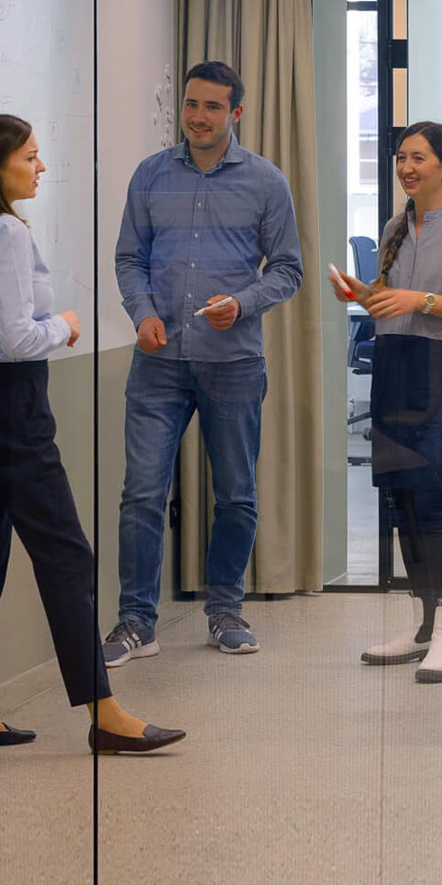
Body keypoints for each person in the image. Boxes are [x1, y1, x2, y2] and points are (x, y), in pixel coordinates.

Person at [0, 115, 184, 755]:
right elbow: (18, 339)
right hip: (13, 406)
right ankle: (105, 714)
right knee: (68, 556)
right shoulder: (8, 233)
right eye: (31, 158)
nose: (41, 168)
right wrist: (64, 325)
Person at [106, 61, 303, 665]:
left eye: (212, 107)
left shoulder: (266, 183)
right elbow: (127, 259)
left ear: (235, 113)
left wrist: (243, 304)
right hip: (159, 360)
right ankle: (136, 622)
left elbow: (289, 270)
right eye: (191, 105)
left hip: (233, 361)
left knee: (236, 494)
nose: (197, 117)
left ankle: (225, 612)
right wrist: (141, 314)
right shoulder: (150, 175)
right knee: (141, 492)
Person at [334, 123, 442, 684]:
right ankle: (423, 626)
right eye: (401, 158)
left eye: (419, 158)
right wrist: (360, 294)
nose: (407, 168)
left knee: (433, 503)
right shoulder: (394, 227)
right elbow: (391, 304)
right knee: (401, 504)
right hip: (397, 370)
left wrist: (422, 300)